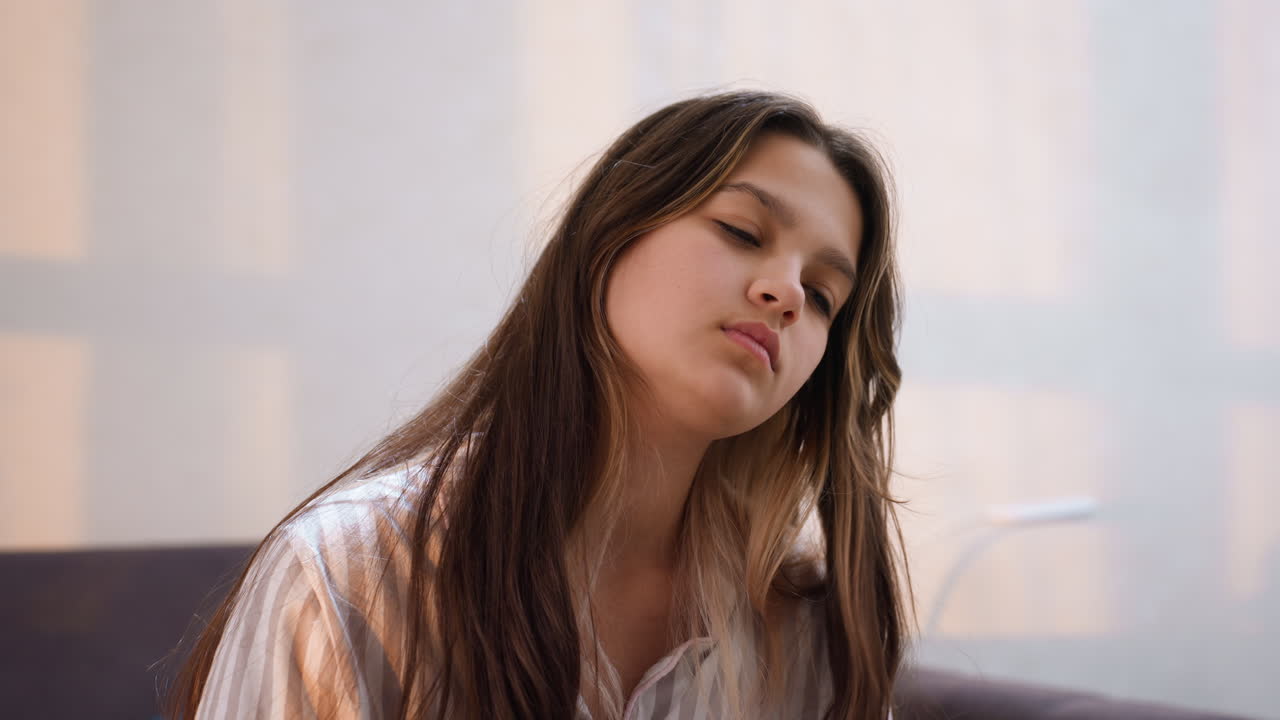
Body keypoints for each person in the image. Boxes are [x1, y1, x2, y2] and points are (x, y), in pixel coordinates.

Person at [165, 90, 909, 720]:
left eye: (822, 295)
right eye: (742, 232)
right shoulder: (351, 576)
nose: (784, 294)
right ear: (608, 236)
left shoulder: (804, 629)